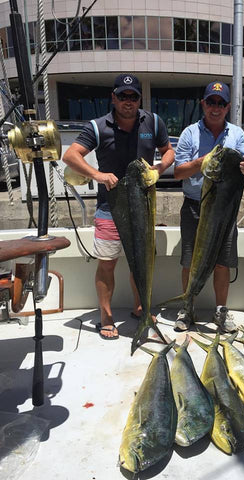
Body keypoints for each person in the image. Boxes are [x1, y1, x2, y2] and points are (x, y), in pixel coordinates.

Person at [63, 74, 174, 339]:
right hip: (109, 209)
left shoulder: (153, 121)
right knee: (107, 265)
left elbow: (168, 151)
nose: (128, 101)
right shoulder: (98, 126)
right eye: (122, 96)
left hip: (143, 209)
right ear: (113, 97)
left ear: (139, 99)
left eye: (133, 96)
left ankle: (140, 308)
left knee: (141, 264)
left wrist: (160, 169)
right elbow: (70, 155)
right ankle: (106, 315)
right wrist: (98, 175)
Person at [173, 81, 244, 333]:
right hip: (194, 207)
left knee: (223, 263)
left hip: (224, 210)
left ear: (228, 107)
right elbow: (178, 172)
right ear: (203, 104)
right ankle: (187, 308)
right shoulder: (189, 133)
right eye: (211, 102)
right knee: (190, 261)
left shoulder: (237, 134)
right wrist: (202, 162)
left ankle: (221, 311)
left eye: (221, 103)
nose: (215, 107)